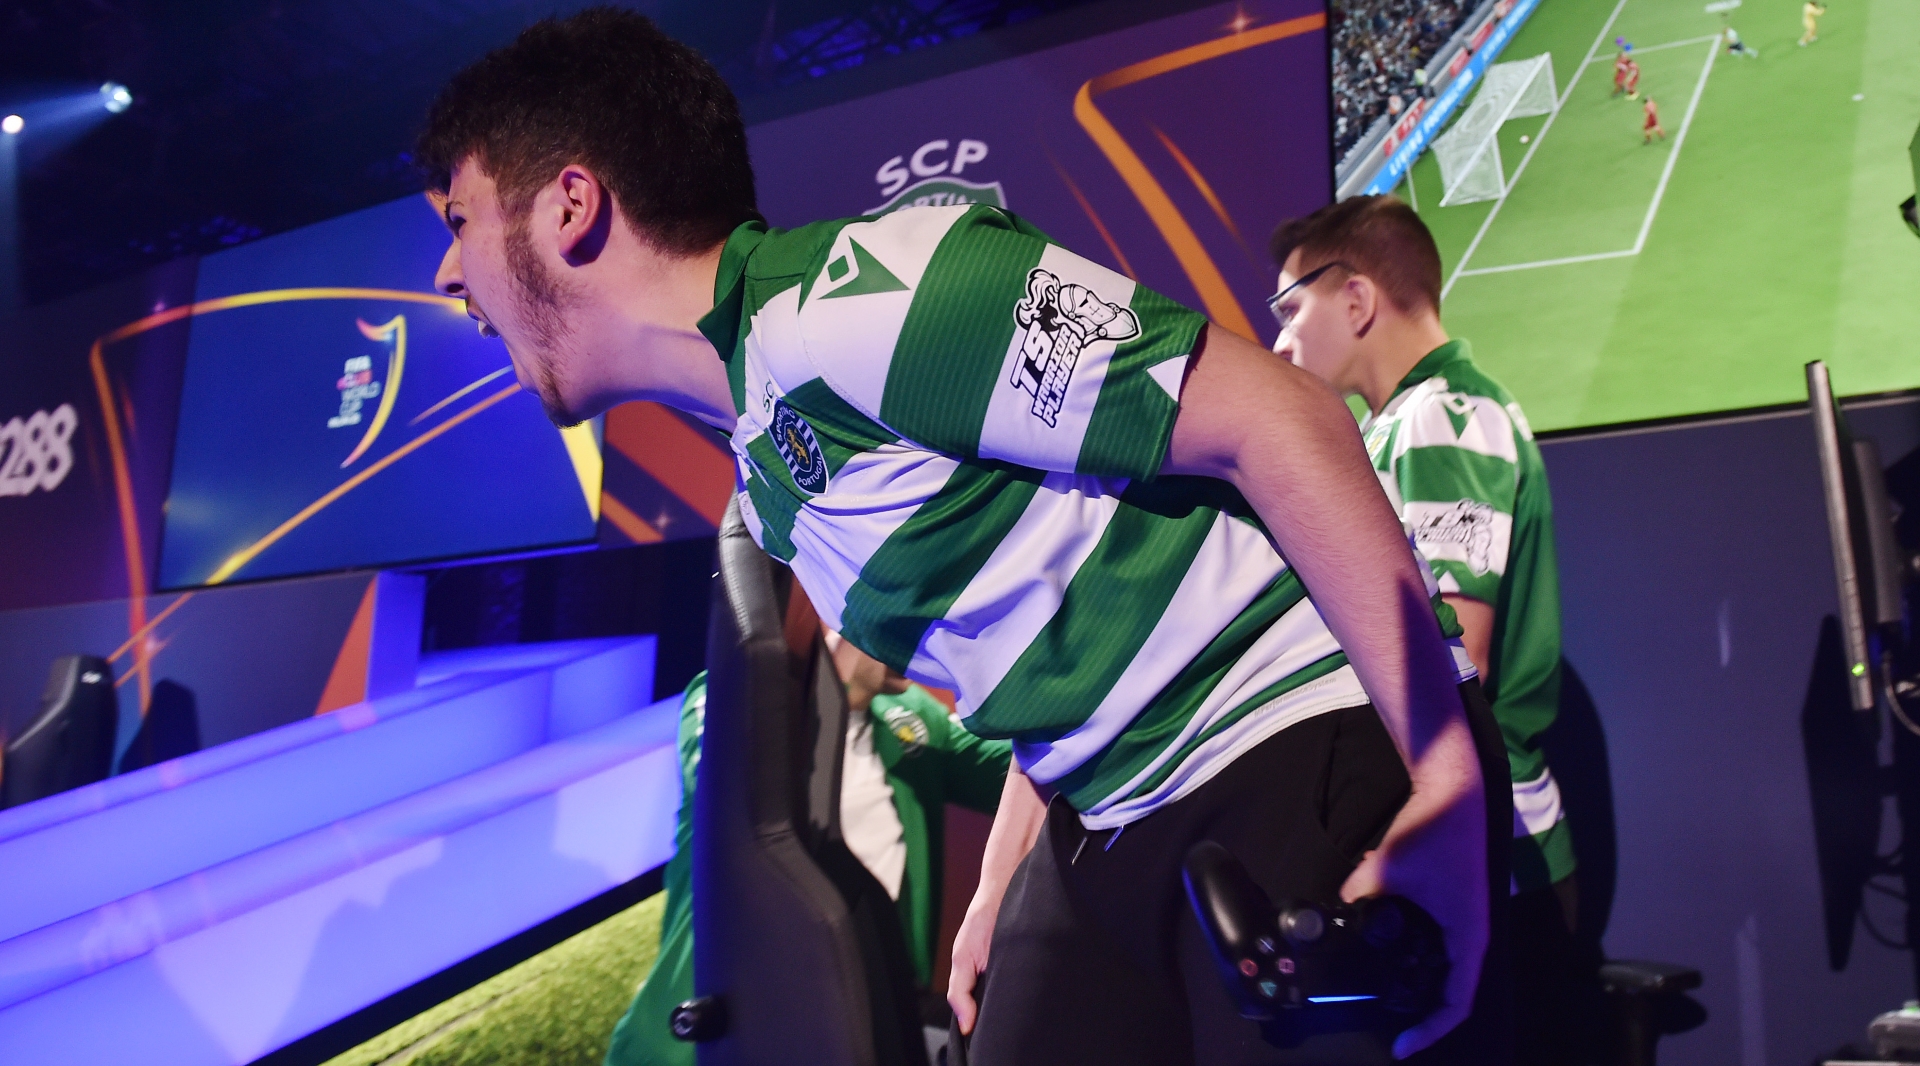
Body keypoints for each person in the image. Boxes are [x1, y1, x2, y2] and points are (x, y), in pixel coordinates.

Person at [417, 9, 1507, 1063]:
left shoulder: (853, 306)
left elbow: (1285, 416)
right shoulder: (761, 447)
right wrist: (1005, 878)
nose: (447, 275)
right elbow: (1049, 619)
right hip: (1108, 804)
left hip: (1290, 733)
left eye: (461, 220)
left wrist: (1448, 784)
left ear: (571, 205)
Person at [1268, 196, 1596, 1063]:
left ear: (1356, 299)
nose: (1281, 342)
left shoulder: (1440, 417)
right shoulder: (1408, 421)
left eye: (1291, 309)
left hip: (1488, 861)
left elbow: (1454, 662)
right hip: (1477, 852)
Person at [604, 634, 1012, 1066]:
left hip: (862, 1018)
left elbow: (1022, 768)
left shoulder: (910, 714)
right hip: (714, 1032)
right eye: (911, 622)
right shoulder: (735, 691)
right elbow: (734, 784)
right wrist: (829, 680)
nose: (927, 639)